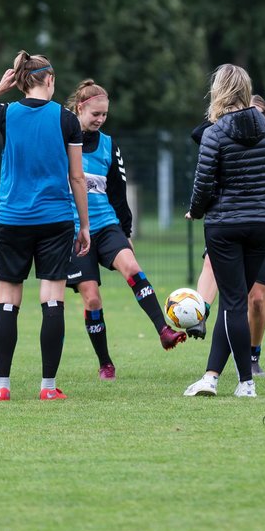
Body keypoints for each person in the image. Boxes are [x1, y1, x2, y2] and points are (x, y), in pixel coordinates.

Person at [0, 51, 91, 402]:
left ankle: (2, 387)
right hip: (56, 220)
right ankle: (48, 388)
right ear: (49, 80)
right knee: (53, 301)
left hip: (12, 220)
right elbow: (77, 177)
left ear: (20, 82)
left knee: (8, 302)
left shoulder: (6, 113)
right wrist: (84, 225)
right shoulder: (67, 120)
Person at [62, 80, 185, 381]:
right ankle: (105, 362)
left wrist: (126, 230)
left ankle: (163, 330)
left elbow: (119, 189)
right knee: (91, 299)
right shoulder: (60, 139)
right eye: (95, 114)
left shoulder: (108, 145)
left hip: (105, 224)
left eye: (104, 115)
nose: (100, 120)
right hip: (73, 231)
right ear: (80, 108)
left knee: (131, 266)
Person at [189, 93, 265, 380]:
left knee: (255, 298)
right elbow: (198, 134)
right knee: (213, 267)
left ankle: (253, 355)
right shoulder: (230, 141)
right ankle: (198, 316)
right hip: (232, 219)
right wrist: (222, 113)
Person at [182, 65, 265, 398]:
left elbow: (203, 181)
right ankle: (210, 377)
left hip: (224, 224)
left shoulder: (215, 132)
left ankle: (245, 384)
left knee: (233, 303)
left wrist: (195, 210)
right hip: (261, 224)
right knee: (232, 303)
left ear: (220, 90)